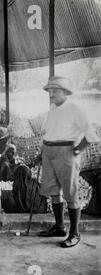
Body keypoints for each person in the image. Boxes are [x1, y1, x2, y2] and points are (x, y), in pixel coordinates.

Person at [38, 76, 100, 247]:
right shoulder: (53, 108)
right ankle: (59, 227)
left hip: (66, 152)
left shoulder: (75, 108)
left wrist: (77, 150)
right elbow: (49, 132)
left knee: (70, 193)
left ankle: (75, 233)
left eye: (55, 90)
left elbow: (90, 134)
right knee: (54, 192)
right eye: (49, 90)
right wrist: (42, 149)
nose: (51, 93)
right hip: (48, 152)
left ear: (65, 92)